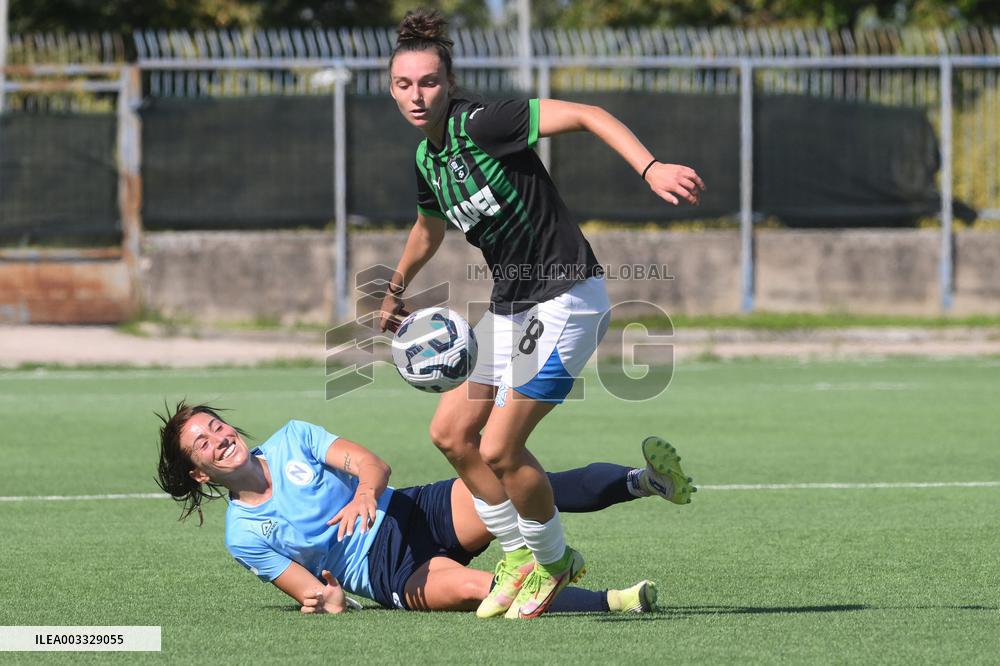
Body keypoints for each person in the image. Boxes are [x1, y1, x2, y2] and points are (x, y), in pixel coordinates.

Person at [379, 9, 702, 619]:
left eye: (427, 82)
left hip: (568, 298)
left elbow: (587, 115)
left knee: (501, 446)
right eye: (403, 84)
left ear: (447, 82)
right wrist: (396, 286)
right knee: (451, 434)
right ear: (390, 88)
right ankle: (517, 555)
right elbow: (428, 227)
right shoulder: (428, 159)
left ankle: (556, 561)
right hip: (511, 306)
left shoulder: (483, 123)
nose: (416, 95)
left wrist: (651, 167)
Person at [155, 402, 690, 615]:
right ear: (200, 474)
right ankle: (615, 602)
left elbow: (371, 464)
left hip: (410, 509)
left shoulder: (293, 438)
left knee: (517, 483)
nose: (219, 438)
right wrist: (331, 600)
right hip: (387, 570)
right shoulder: (243, 534)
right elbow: (309, 591)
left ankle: (642, 481)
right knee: (479, 590)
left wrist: (366, 492)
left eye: (216, 426)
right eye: (202, 443)